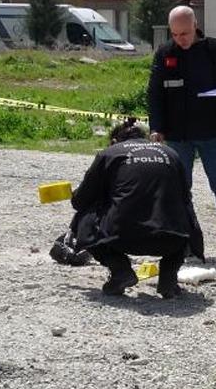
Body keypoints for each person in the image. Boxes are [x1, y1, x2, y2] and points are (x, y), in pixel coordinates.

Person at [147, 5, 216, 260]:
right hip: (177, 135)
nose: (180, 39)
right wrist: (156, 127)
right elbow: (155, 93)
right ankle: (185, 242)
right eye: (175, 34)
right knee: (181, 191)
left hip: (212, 132)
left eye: (184, 33)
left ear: (195, 26)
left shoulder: (215, 48)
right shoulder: (164, 53)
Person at [70, 118, 204, 298]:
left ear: (115, 141)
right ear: (146, 138)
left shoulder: (109, 154)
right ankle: (168, 279)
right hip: (172, 239)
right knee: (185, 211)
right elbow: (185, 195)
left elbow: (80, 201)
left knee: (85, 215)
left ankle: (120, 271)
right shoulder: (171, 153)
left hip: (123, 237)